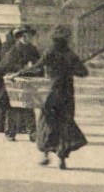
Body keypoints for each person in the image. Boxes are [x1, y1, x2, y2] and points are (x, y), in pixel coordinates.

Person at [19, 26, 89, 170]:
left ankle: (45, 155)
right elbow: (83, 72)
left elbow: (36, 67)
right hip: (67, 93)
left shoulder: (49, 52)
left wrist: (18, 73)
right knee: (64, 123)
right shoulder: (70, 55)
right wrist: (71, 70)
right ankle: (61, 158)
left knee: (46, 122)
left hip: (52, 93)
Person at [0, 25, 40, 139]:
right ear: (19, 37)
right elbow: (7, 65)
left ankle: (32, 132)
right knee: (12, 107)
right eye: (22, 35)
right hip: (12, 83)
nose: (25, 38)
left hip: (27, 82)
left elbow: (38, 64)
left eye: (28, 35)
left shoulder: (32, 49)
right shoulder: (14, 49)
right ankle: (10, 132)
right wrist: (21, 69)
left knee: (28, 107)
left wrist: (32, 70)